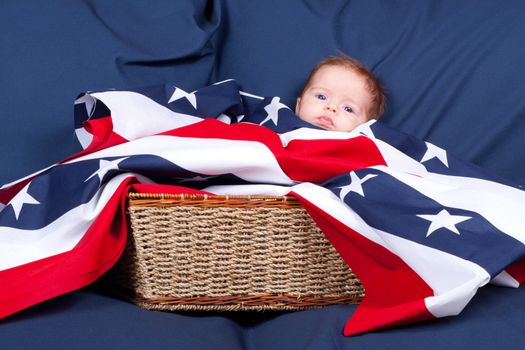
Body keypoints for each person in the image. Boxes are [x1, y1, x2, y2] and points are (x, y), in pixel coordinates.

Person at [295, 54, 386, 132]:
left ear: (365, 127)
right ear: (298, 106)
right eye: (321, 97)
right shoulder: (282, 122)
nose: (331, 107)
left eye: (348, 109)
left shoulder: (363, 147)